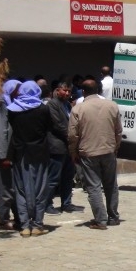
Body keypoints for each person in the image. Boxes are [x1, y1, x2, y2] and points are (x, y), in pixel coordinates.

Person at [68, 79, 122, 230]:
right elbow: (118, 130)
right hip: (108, 150)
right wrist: (116, 147)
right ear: (98, 90)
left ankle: (100, 220)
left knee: (94, 187)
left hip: (88, 152)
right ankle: (113, 216)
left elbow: (72, 135)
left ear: (83, 91)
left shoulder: (78, 109)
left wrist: (73, 152)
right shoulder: (112, 105)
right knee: (111, 185)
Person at [7, 81, 52, 237]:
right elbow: (48, 128)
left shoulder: (12, 110)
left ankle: (25, 226)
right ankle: (37, 224)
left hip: (20, 153)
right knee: (40, 188)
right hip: (39, 153)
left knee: (20, 189)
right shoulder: (43, 109)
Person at [44, 82, 84, 215]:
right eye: (64, 90)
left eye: (69, 91)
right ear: (57, 90)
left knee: (68, 177)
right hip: (57, 146)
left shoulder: (67, 105)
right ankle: (47, 204)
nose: (67, 93)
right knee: (53, 178)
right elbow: (58, 125)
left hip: (68, 148)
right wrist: (72, 137)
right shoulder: (52, 105)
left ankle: (66, 203)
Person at [0, 80, 21, 231]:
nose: (19, 92)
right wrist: (3, 156)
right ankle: (4, 219)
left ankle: (16, 217)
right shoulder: (1, 104)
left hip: (9, 154)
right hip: (0, 156)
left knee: (11, 187)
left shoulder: (11, 104)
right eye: (17, 89)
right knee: (4, 189)